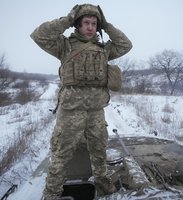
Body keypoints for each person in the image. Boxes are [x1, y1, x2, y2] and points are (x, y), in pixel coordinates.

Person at [31, 4, 132, 199]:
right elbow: (39, 35)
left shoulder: (104, 49)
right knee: (61, 155)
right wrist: (67, 19)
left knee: (99, 151)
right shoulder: (64, 46)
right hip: (71, 112)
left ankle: (103, 186)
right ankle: (51, 194)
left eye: (94, 23)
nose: (90, 27)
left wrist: (106, 25)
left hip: (96, 111)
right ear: (78, 25)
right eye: (86, 22)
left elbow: (125, 45)